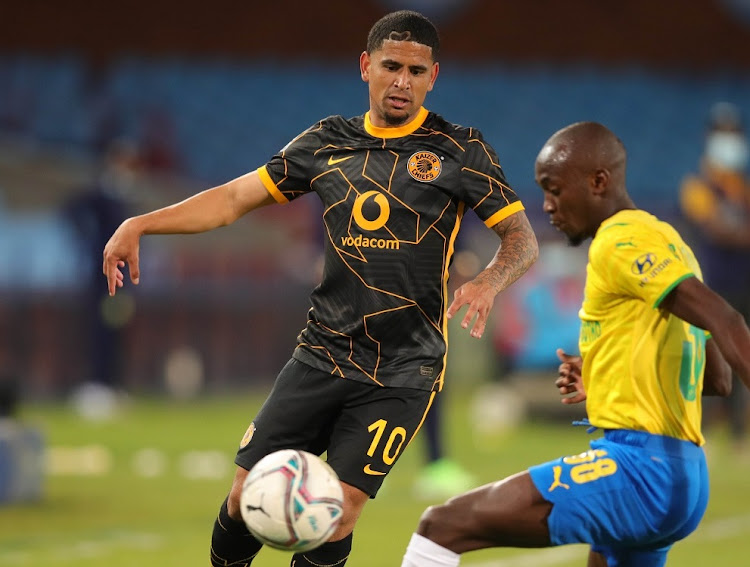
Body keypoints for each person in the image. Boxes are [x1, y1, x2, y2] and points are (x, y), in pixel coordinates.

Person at [102, 10, 539, 567]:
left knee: (336, 510)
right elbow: (234, 199)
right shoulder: (326, 141)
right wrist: (141, 223)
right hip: (321, 354)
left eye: (415, 70)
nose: (401, 80)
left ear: (434, 77)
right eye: (390, 66)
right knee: (243, 499)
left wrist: (488, 280)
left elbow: (522, 241)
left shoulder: (461, 150)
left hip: (403, 371)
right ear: (366, 66)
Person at [400, 121, 750, 567]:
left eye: (555, 189)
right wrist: (607, 378)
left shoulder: (619, 242)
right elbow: (715, 379)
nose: (546, 205)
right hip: (684, 476)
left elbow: (727, 319)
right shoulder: (673, 245)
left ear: (598, 182)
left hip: (641, 471)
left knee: (442, 525)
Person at [679, 102, 750, 454]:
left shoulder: (740, 186)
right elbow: (718, 230)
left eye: (733, 133)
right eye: (723, 134)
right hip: (714, 283)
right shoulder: (697, 185)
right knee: (707, 356)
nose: (730, 141)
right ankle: (700, 432)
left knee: (741, 356)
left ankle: (738, 436)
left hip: (744, 285)